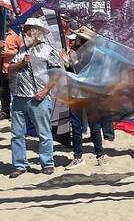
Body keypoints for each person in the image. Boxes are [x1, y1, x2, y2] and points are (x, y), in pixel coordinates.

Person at [7, 18, 63, 178]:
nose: (25, 33)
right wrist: (21, 63)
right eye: (25, 30)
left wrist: (45, 91)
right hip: (19, 97)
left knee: (43, 133)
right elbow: (10, 69)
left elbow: (57, 74)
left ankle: (47, 163)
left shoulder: (48, 51)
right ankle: (19, 164)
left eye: (28, 29)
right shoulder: (22, 51)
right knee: (17, 134)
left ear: (36, 32)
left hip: (39, 98)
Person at [64, 28, 107, 168]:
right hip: (76, 93)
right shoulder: (75, 52)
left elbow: (88, 73)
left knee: (94, 126)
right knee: (76, 126)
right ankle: (78, 156)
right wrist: (67, 64)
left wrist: (73, 63)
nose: (74, 39)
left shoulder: (95, 55)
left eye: (77, 37)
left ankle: (100, 155)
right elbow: (71, 73)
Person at [1, 24, 22, 120]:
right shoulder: (1, 35)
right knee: (3, 92)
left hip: (12, 68)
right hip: (2, 68)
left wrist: (6, 52)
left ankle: (15, 113)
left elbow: (20, 51)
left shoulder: (14, 35)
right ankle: (5, 111)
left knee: (14, 92)